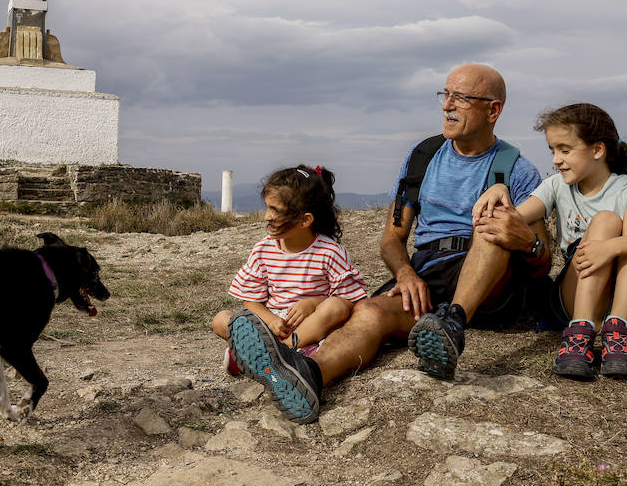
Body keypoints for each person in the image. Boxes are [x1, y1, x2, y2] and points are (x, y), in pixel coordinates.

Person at [227, 63, 547, 423]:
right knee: (370, 312)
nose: (447, 106)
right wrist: (406, 273)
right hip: (428, 274)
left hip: (490, 281)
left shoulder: (517, 171)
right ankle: (308, 374)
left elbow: (543, 259)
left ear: (493, 110)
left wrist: (528, 243)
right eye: (445, 95)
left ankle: (452, 324)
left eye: (461, 98)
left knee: (491, 226)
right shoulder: (422, 158)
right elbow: (392, 238)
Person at [477, 103, 627, 379]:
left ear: (597, 150)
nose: (556, 160)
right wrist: (500, 187)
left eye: (565, 150)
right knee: (606, 221)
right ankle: (580, 334)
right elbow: (515, 218)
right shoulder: (556, 186)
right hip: (580, 298)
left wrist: (611, 247)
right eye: (552, 150)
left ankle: (619, 332)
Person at [214, 165, 367, 376]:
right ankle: (281, 356)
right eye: (267, 207)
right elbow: (250, 302)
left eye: (275, 210)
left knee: (335, 307)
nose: (267, 216)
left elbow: (349, 300)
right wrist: (271, 320)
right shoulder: (263, 250)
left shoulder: (330, 252)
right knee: (221, 319)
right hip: (273, 325)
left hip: (312, 327)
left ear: (305, 219)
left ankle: (266, 356)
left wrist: (312, 304)